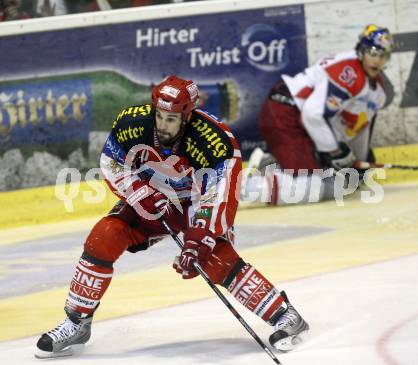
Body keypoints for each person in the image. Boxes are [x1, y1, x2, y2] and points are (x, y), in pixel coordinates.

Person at [35, 75, 309, 358]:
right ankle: (77, 322)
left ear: (187, 116)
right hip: (153, 199)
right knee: (104, 235)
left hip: (197, 203)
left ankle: (284, 315)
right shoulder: (132, 123)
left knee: (212, 259)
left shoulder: (215, 141)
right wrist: (139, 192)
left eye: (171, 119)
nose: (162, 125)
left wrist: (198, 239)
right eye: (160, 116)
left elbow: (219, 196)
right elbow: (111, 163)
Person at [242, 24, 393, 205]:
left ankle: (270, 165)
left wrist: (357, 163)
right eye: (373, 52)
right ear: (361, 50)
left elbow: (359, 127)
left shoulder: (376, 92)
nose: (377, 60)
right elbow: (313, 115)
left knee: (335, 186)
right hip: (286, 110)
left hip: (303, 123)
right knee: (307, 188)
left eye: (383, 55)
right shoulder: (349, 72)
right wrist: (336, 152)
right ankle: (237, 188)